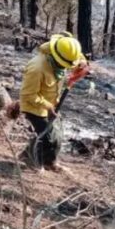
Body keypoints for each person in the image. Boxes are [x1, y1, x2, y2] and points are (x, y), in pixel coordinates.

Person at [19, 33, 87, 172]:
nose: (68, 67)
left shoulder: (65, 50)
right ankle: (31, 160)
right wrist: (48, 106)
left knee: (58, 135)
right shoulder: (37, 68)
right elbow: (28, 94)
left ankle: (50, 162)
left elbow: (79, 58)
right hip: (34, 106)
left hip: (52, 103)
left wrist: (82, 65)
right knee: (45, 135)